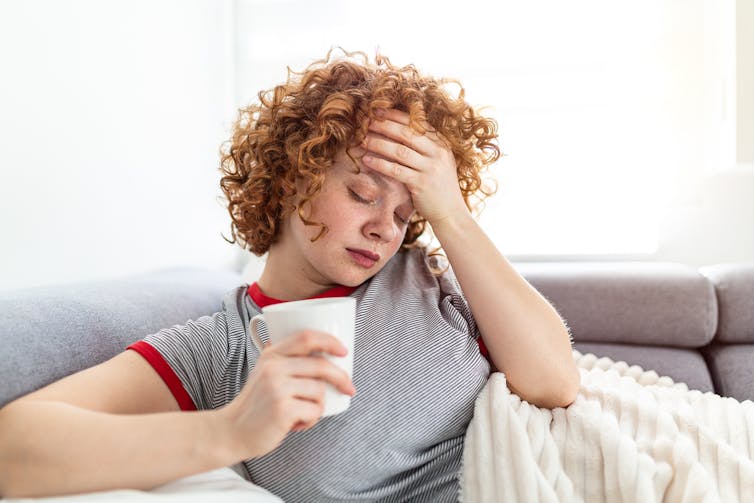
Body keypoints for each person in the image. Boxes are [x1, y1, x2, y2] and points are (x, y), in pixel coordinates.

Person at [0, 49, 579, 501]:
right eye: (362, 194)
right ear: (289, 177)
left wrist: (450, 215)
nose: (384, 228)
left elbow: (554, 381)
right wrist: (231, 431)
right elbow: (13, 450)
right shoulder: (220, 349)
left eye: (406, 214)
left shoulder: (428, 280)